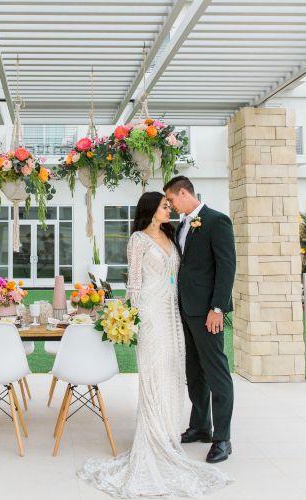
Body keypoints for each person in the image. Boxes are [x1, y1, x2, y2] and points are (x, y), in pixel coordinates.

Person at [78, 191, 229, 498]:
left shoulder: (170, 236)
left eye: (169, 204)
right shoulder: (138, 240)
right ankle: (153, 438)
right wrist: (130, 316)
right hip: (150, 316)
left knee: (174, 375)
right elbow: (133, 282)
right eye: (164, 205)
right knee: (155, 373)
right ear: (151, 210)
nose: (169, 208)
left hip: (173, 313)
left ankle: (169, 435)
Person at [164, 175, 235, 464]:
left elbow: (226, 267)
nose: (169, 205)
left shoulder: (217, 221)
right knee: (194, 372)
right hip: (185, 311)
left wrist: (217, 308)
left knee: (216, 372)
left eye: (171, 199)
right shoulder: (182, 224)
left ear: (184, 193)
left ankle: (223, 439)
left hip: (207, 313)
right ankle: (201, 426)